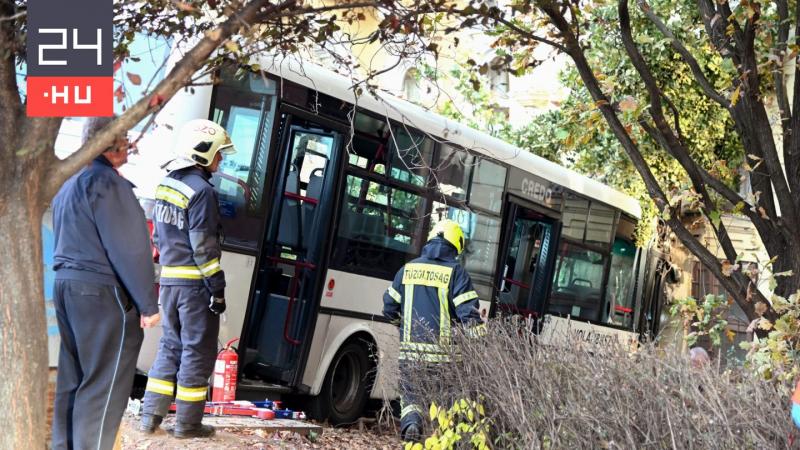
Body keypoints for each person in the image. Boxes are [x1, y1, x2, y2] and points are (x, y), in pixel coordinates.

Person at [51, 117, 161, 450]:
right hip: (101, 294)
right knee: (104, 387)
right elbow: (130, 247)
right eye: (125, 138)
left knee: (73, 381)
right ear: (110, 144)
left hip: (67, 287)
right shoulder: (108, 184)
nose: (129, 144)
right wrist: (148, 304)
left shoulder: (70, 183)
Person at [139, 119, 235, 438]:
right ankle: (188, 424)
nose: (220, 161)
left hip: (169, 283)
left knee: (170, 346)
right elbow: (204, 247)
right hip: (195, 287)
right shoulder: (202, 191)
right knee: (197, 350)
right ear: (204, 151)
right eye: (218, 154)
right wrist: (217, 289)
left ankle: (150, 416)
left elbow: (159, 235)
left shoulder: (168, 183)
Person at [382, 219, 485, 443]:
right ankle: (445, 441)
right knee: (447, 403)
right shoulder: (456, 272)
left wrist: (404, 327)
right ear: (455, 244)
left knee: (411, 396)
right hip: (444, 357)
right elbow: (468, 314)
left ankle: (411, 426)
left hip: (411, 354)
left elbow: (389, 308)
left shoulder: (407, 269)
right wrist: (482, 345)